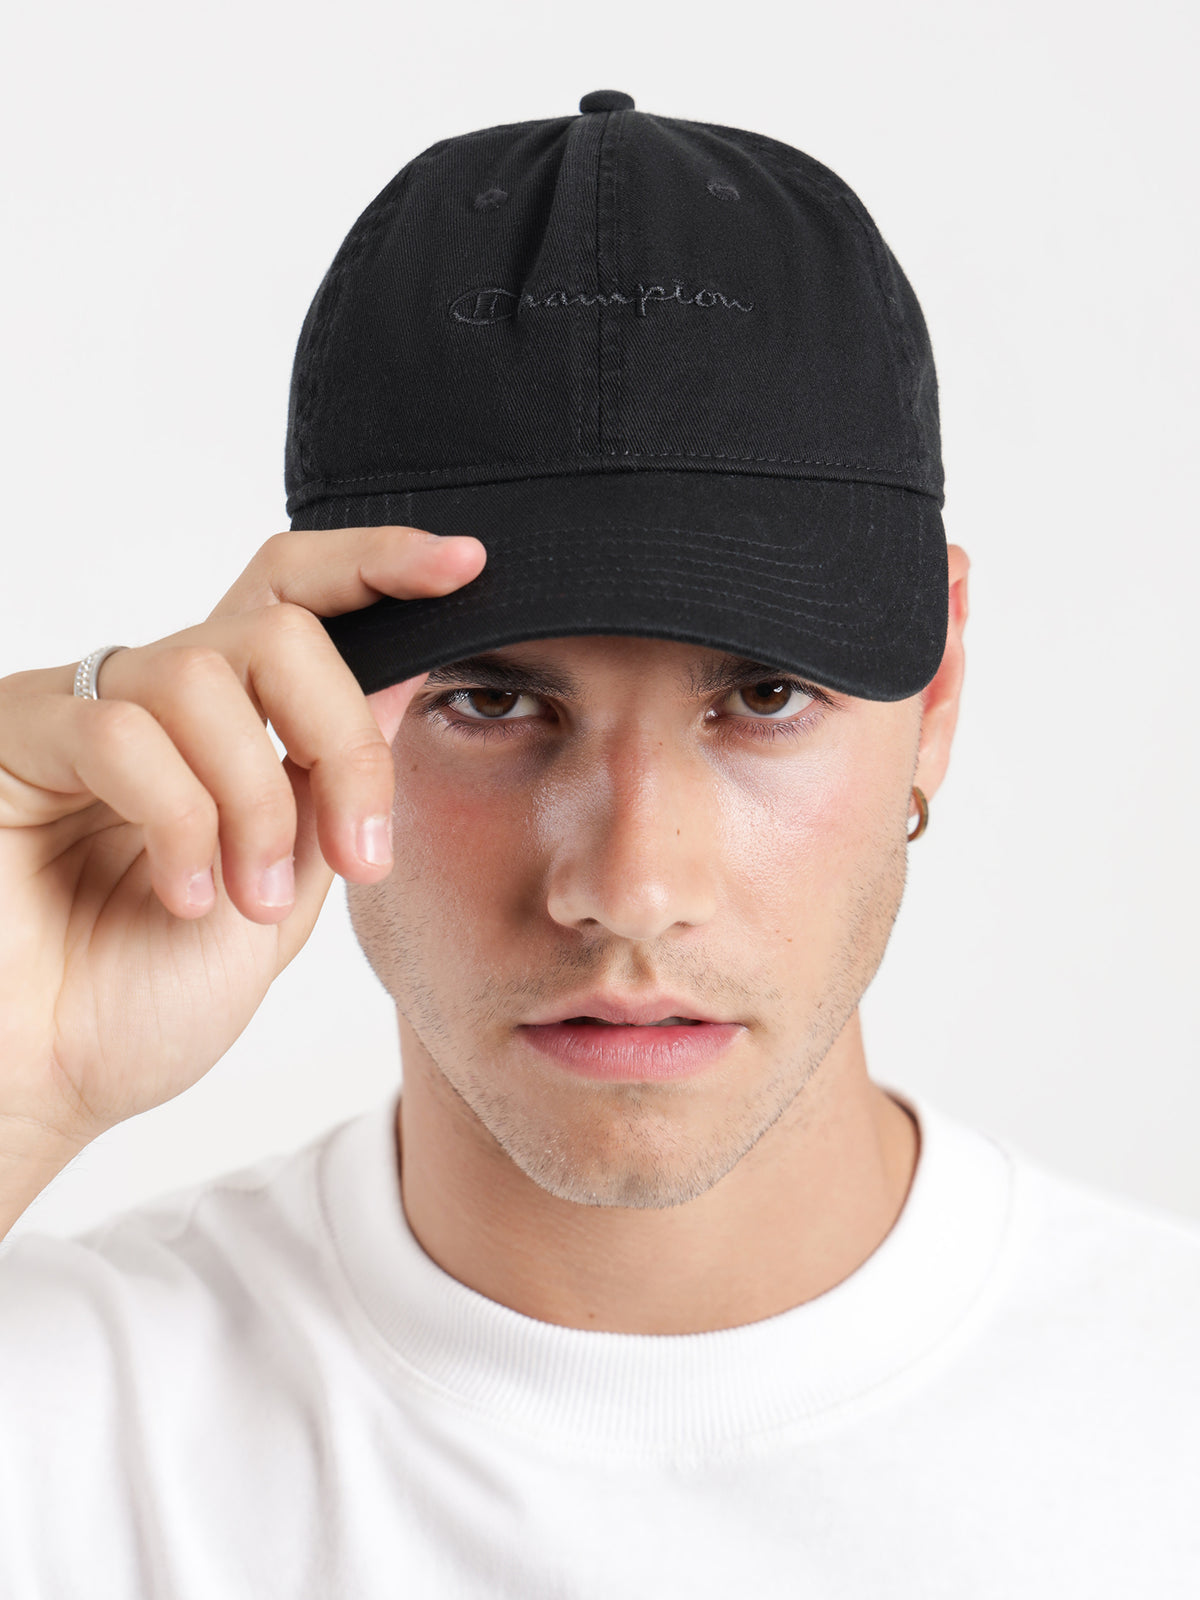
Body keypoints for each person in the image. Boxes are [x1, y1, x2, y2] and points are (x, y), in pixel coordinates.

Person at [0, 89, 1196, 1599]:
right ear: (296, 699)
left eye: (765, 697)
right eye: (492, 701)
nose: (629, 890)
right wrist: (19, 1080)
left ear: (936, 693)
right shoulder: (64, 1436)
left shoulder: (1167, 1431)